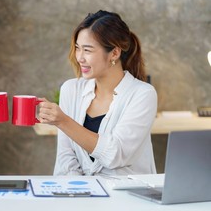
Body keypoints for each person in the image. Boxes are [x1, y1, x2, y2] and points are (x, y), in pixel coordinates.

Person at [38, 10, 157, 176]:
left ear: (114, 53)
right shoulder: (71, 90)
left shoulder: (142, 94)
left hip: (128, 199)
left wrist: (63, 121)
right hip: (80, 196)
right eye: (78, 48)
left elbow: (116, 155)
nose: (79, 57)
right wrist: (79, 192)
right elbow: (66, 160)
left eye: (87, 50)